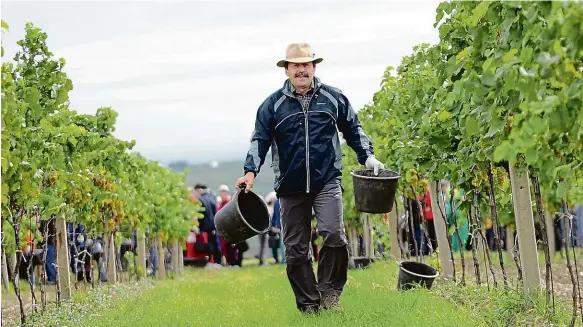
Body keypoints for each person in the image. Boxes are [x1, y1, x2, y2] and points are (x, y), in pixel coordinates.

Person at [235, 42, 384, 314]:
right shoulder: (272, 105)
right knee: (295, 248)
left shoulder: (333, 98)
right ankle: (308, 305)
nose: (301, 70)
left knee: (334, 235)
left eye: (306, 64)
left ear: (314, 67)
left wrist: (368, 157)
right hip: (290, 186)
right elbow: (259, 140)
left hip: (327, 180)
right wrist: (250, 172)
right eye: (296, 65)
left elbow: (353, 129)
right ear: (287, 70)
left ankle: (329, 294)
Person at [194, 183, 222, 266]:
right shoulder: (212, 198)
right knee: (215, 244)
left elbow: (201, 214)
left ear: (199, 190)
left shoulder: (201, 199)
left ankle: (211, 261)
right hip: (214, 225)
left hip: (206, 226)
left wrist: (198, 226)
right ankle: (218, 262)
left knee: (209, 245)